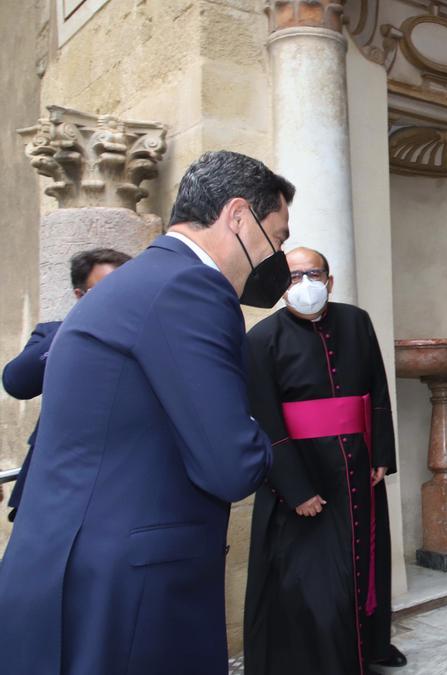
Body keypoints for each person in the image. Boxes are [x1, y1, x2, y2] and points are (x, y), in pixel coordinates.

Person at [0, 150, 291, 674]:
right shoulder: (191, 286)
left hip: (70, 567)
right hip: (129, 591)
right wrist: (262, 435)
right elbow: (232, 465)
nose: (279, 256)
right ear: (239, 216)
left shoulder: (136, 282)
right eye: (279, 236)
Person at [243, 247, 406, 674]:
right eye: (293, 277)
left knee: (365, 566)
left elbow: (378, 391)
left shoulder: (356, 321)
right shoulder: (260, 339)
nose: (304, 284)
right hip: (303, 475)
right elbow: (264, 420)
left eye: (313, 274)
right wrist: (295, 489)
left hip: (358, 465)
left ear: (330, 281)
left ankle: (370, 648)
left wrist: (382, 455)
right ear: (281, 288)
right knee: (314, 580)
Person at [3, 247, 131, 521]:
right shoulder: (52, 333)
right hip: (50, 491)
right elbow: (17, 382)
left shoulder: (142, 339)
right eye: (105, 291)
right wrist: (78, 324)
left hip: (115, 492)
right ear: (80, 295)